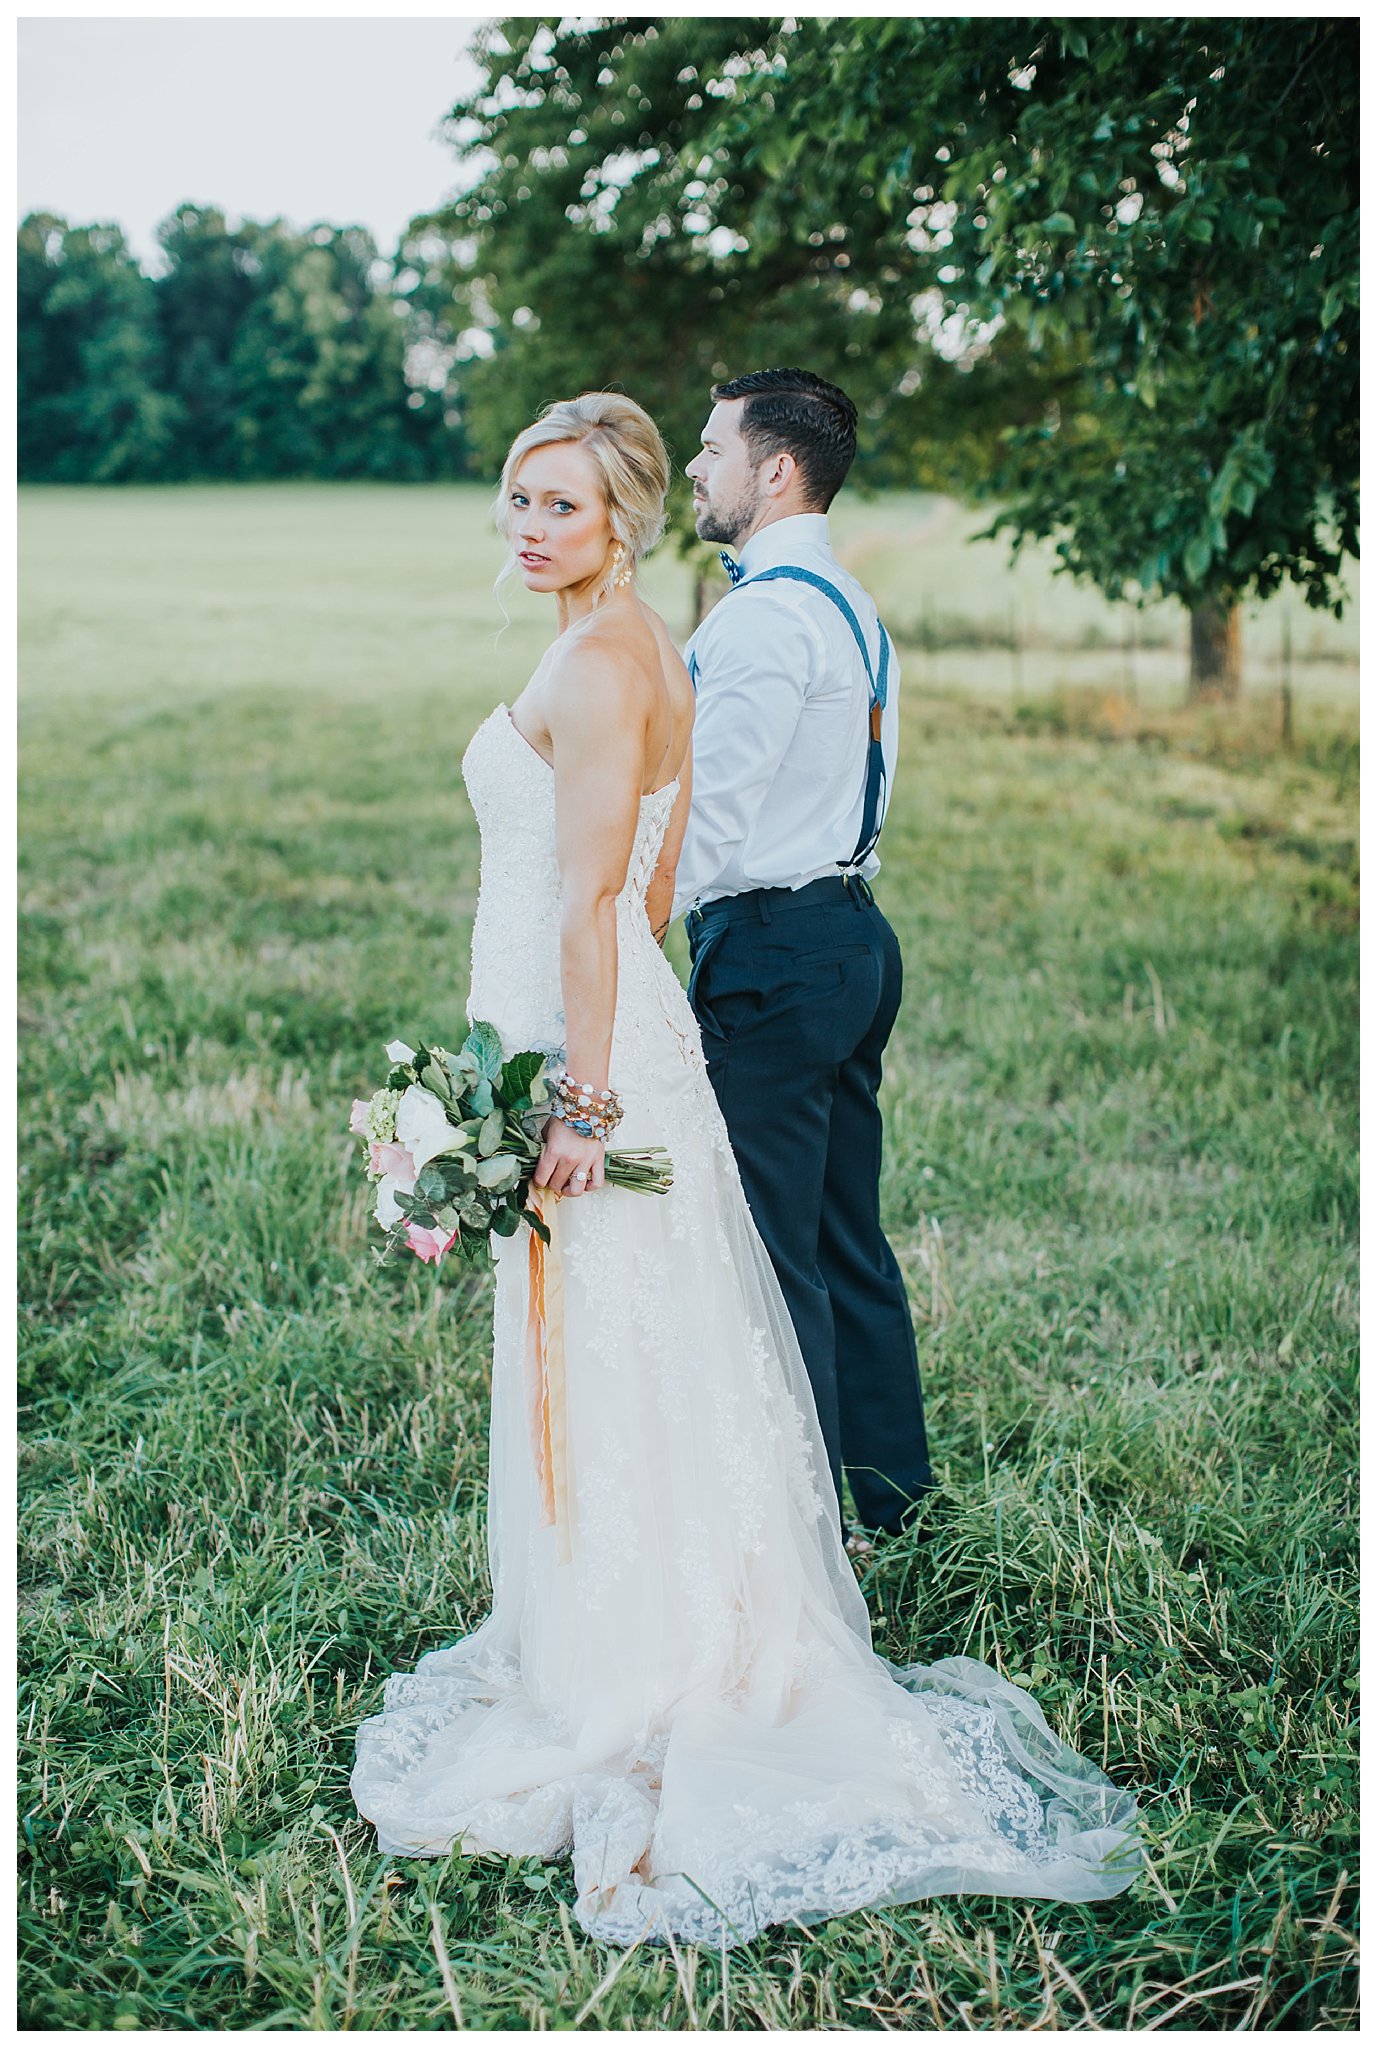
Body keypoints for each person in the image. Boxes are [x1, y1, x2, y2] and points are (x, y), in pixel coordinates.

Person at [350, 392, 1138, 1947]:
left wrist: (577, 1103)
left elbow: (600, 906)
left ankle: (639, 1660)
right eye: (518, 497)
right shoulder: (652, 642)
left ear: (625, 520)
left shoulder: (604, 662)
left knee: (625, 1342)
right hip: (608, 1028)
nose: (529, 526)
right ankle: (657, 1609)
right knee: (661, 1339)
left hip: (589, 1057)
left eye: (564, 504)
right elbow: (652, 887)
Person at [677, 368, 929, 1542]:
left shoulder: (765, 619)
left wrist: (617, 934)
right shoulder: (847, 602)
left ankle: (801, 1541)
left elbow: (710, 824)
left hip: (774, 950)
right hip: (849, 936)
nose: (695, 467)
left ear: (776, 471)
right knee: (843, 1240)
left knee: (771, 1257)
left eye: (712, 449)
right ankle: (892, 1499)